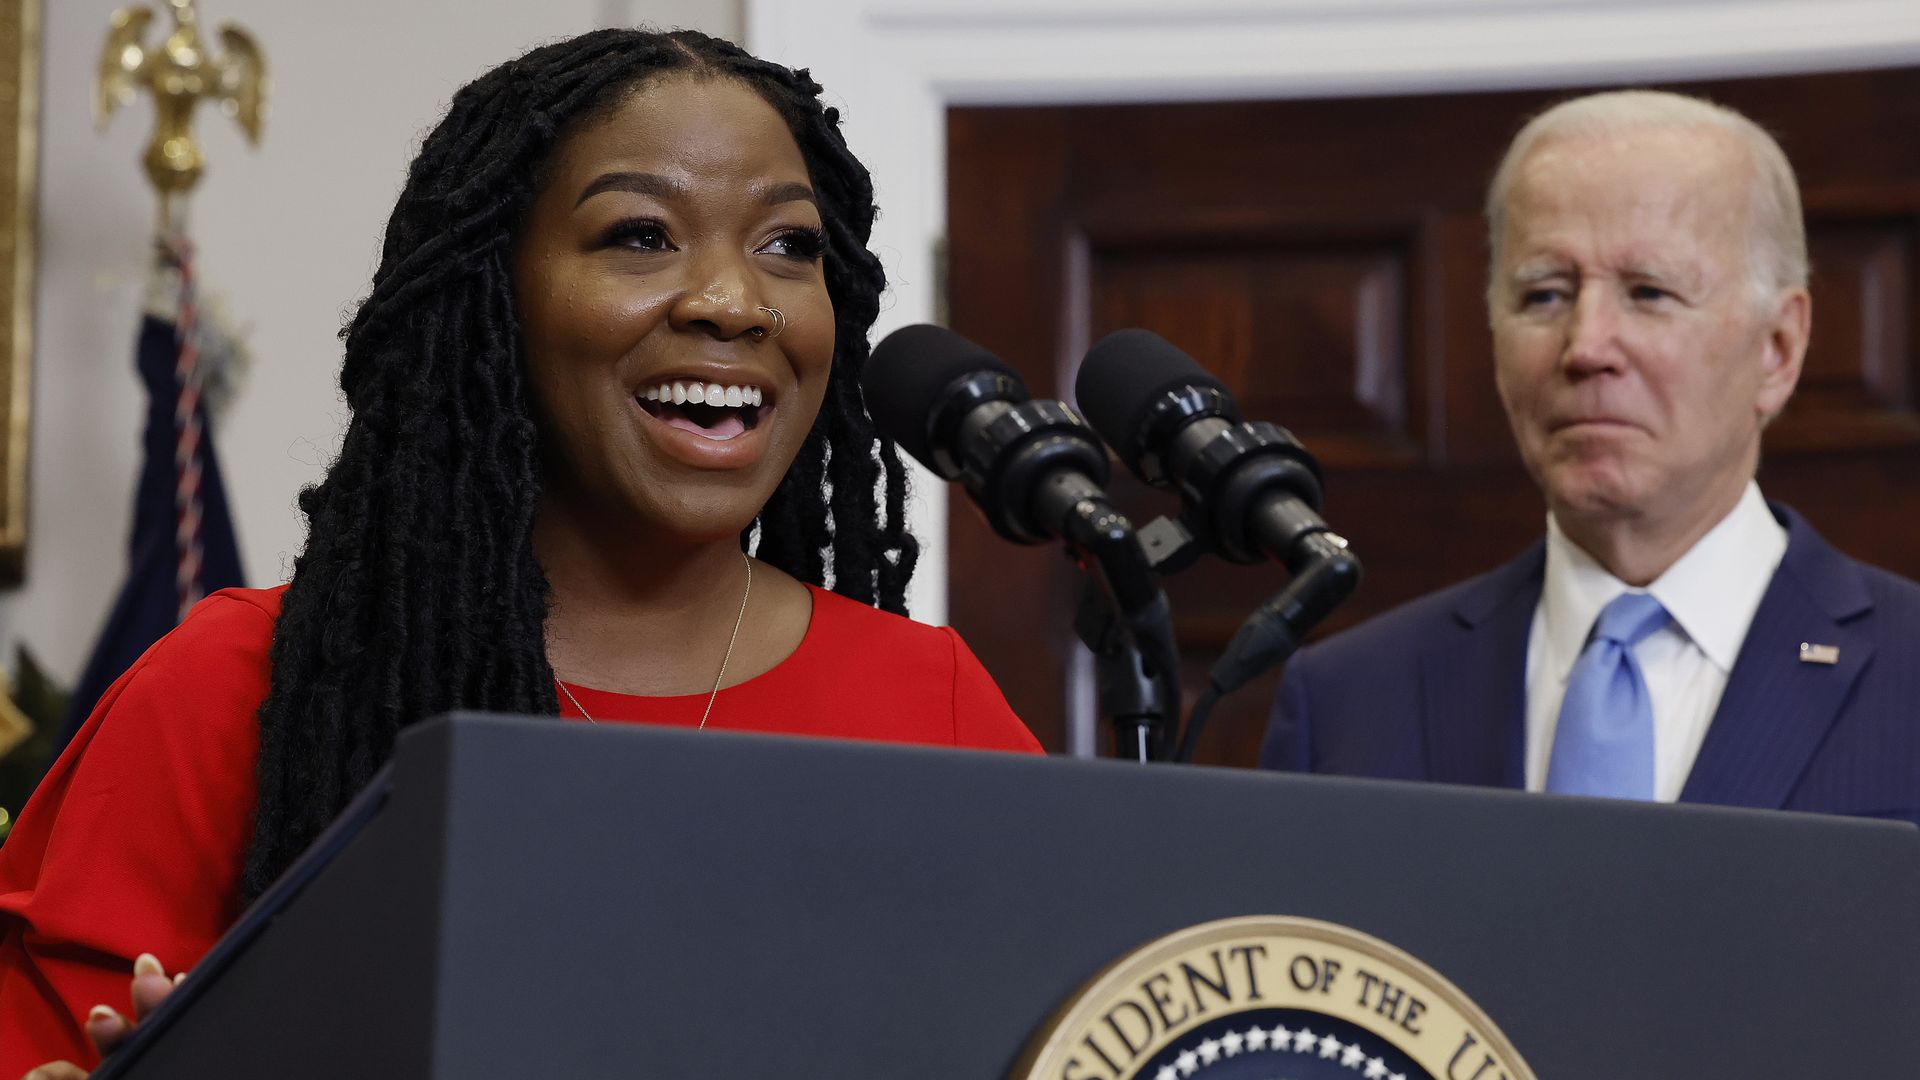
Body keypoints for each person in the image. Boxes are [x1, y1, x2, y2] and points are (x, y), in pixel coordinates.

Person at [1, 28, 1039, 1078]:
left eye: (789, 245)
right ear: (493, 295)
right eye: (641, 235)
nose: (733, 300)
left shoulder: (932, 709)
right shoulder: (235, 688)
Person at [1260, 90, 1920, 819]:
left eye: (1649, 292)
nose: (1587, 347)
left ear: (1778, 348)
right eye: (1544, 295)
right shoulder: (1351, 700)